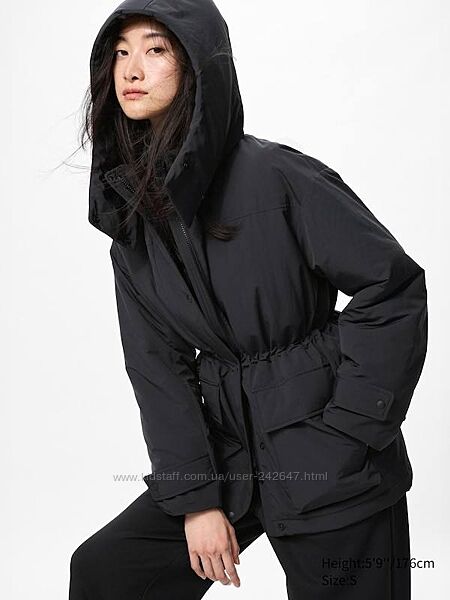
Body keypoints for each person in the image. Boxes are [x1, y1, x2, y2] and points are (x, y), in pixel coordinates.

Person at [69, 0, 428, 598]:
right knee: (108, 572)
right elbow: (157, 367)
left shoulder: (277, 176)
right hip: (228, 450)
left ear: (197, 66)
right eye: (120, 52)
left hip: (326, 446)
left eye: (156, 50)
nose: (131, 69)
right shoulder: (133, 219)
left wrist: (353, 431)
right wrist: (197, 501)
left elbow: (392, 287)